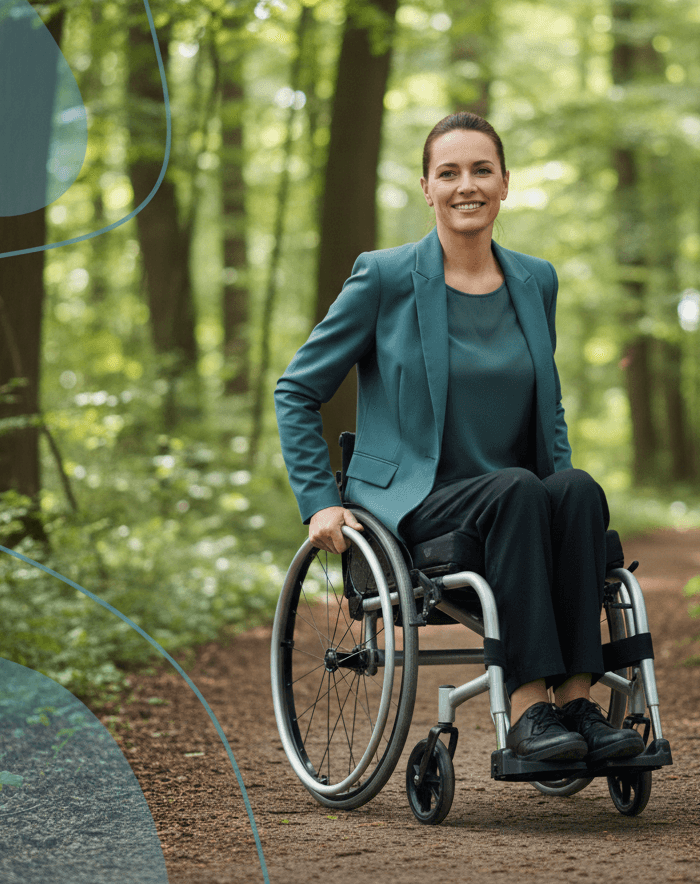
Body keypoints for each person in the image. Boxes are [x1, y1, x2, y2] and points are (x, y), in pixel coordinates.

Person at [275, 112, 644, 764]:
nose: (465, 185)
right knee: (520, 492)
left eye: (480, 170)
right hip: (419, 504)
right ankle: (530, 715)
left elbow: (547, 407)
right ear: (427, 187)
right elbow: (297, 389)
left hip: (515, 501)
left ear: (505, 184)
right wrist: (316, 500)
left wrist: (563, 493)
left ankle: (579, 706)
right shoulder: (384, 278)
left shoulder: (537, 281)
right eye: (449, 173)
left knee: (577, 491)